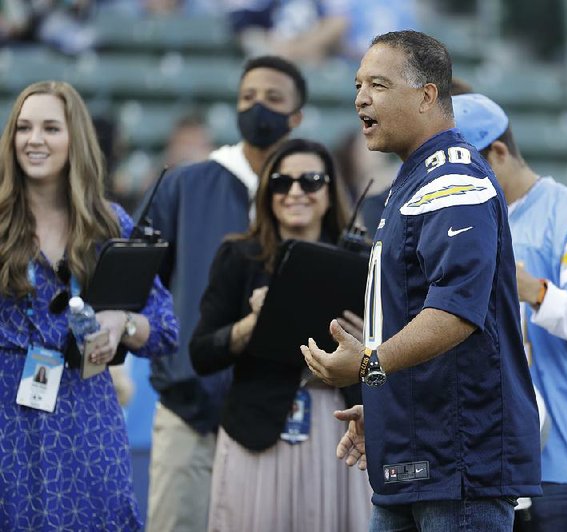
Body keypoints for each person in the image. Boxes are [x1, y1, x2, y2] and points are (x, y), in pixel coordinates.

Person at [301, 30, 542, 530]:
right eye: (358, 84)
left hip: (459, 464)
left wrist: (367, 366)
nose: (360, 97)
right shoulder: (413, 180)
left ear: (428, 95)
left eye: (379, 85)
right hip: (418, 451)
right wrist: (388, 406)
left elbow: (456, 312)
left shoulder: (452, 177)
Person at [0, 80, 178, 530]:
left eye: (50, 128)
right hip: (6, 416)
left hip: (88, 418)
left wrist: (122, 322)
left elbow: (164, 328)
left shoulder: (108, 222)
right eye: (23, 128)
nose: (34, 139)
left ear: (74, 139)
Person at [144, 55, 307, 532]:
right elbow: (145, 283)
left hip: (280, 414)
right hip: (189, 409)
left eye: (273, 99)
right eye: (248, 98)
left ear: (296, 116)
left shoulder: (312, 189)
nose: (259, 107)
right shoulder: (185, 184)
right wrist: (173, 364)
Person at [453, 93, 567, 532]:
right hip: (478, 452)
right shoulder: (463, 217)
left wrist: (536, 292)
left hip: (558, 457)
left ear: (497, 153)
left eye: (465, 167)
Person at [189, 138, 371, 531]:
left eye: (311, 180)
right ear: (266, 192)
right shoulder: (239, 256)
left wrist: (369, 347)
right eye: (281, 182)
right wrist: (254, 323)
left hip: (340, 426)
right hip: (258, 425)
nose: (295, 192)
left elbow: (390, 364)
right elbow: (202, 353)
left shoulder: (363, 260)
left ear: (330, 190)